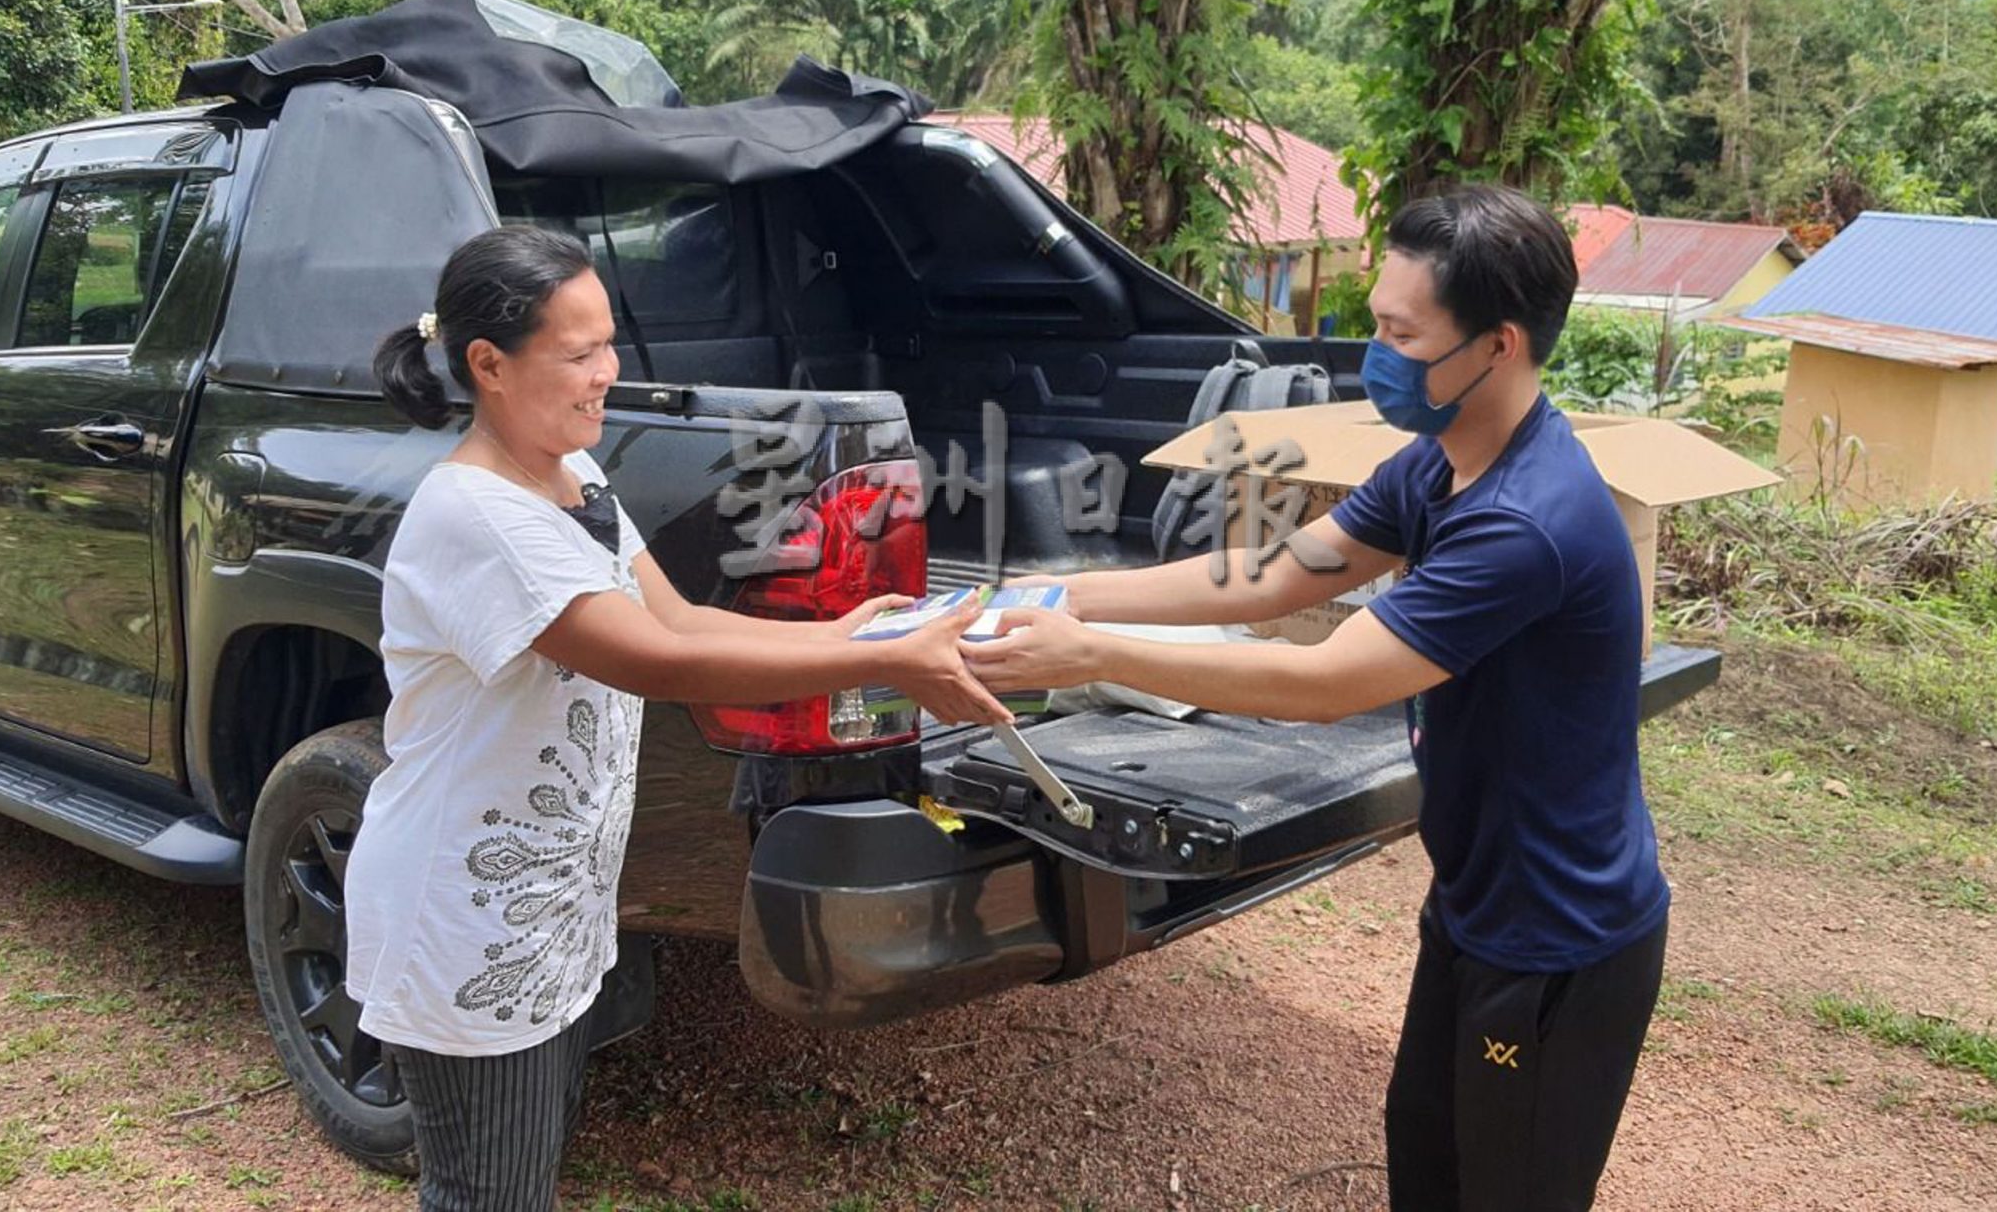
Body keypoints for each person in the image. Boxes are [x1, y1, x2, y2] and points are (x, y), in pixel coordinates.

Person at [965, 186, 1666, 1212]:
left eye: (1398, 332)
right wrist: (1043, 594)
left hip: (1557, 939)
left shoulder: (1525, 522)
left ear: (1496, 346)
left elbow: (1326, 681)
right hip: (1479, 905)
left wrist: (1089, 653)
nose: (1375, 352)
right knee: (1426, 1171)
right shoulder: (1441, 464)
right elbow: (1276, 572)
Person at [348, 226, 1009, 1211]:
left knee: (518, 1180)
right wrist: (874, 660)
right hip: (468, 918)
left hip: (544, 911)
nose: (607, 374)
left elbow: (684, 617)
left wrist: (850, 638)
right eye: (578, 355)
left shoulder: (576, 477)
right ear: (488, 364)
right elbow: (658, 661)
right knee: (485, 1195)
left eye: (608, 343)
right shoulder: (479, 519)